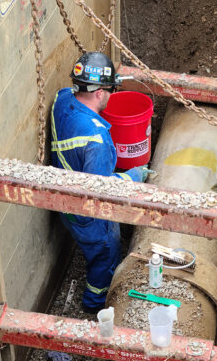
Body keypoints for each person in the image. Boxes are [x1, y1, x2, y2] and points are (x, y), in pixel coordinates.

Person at [50, 51, 148, 311]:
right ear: (99, 93)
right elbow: (100, 192)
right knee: (106, 254)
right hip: (86, 214)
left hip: (64, 195)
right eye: (110, 90)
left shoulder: (61, 100)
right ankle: (94, 302)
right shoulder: (98, 139)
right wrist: (133, 176)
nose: (111, 96)